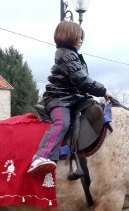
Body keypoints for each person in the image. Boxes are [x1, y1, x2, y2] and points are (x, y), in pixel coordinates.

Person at [27, 21, 114, 176]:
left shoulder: (73, 56)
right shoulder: (65, 55)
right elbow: (82, 80)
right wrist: (103, 90)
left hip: (71, 98)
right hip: (59, 99)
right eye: (77, 37)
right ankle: (41, 156)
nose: (81, 40)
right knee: (62, 122)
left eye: (82, 38)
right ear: (67, 36)